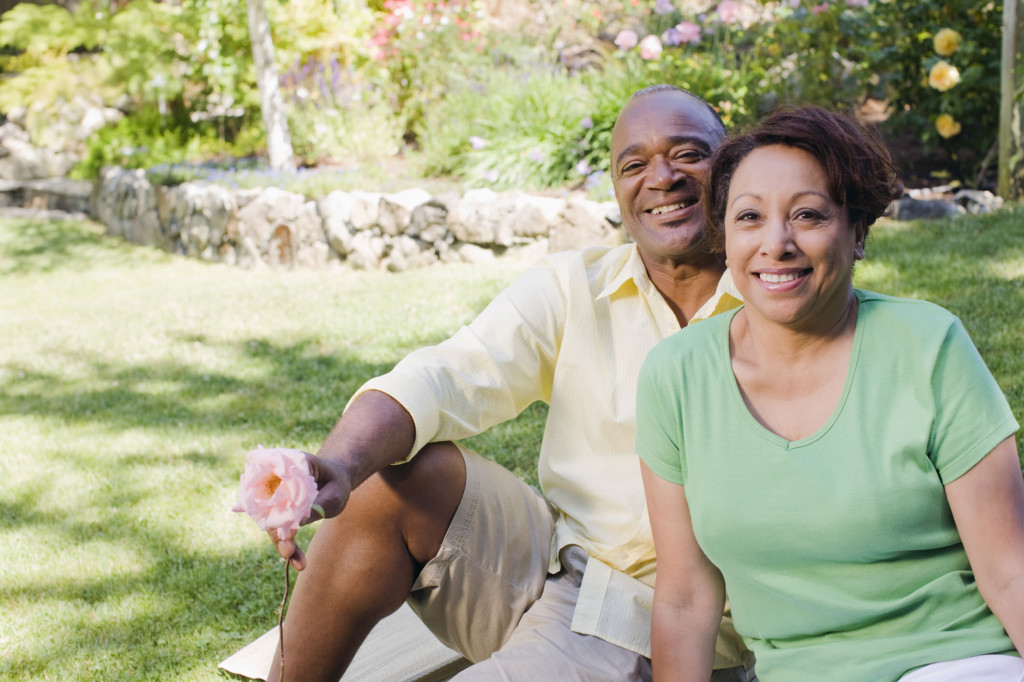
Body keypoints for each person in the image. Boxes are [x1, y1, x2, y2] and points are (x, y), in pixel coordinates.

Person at [260, 84, 757, 682]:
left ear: (730, 165)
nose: (661, 178)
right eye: (634, 164)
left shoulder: (776, 299)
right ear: (617, 189)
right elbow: (446, 375)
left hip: (677, 625)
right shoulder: (576, 285)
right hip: (561, 570)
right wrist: (338, 464)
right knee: (393, 477)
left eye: (687, 154)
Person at [636, 104, 1024, 681]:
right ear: (724, 237)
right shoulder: (676, 375)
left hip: (955, 662)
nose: (777, 244)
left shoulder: (927, 345)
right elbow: (686, 598)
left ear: (857, 232)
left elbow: (1009, 569)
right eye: (749, 217)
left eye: (809, 216)